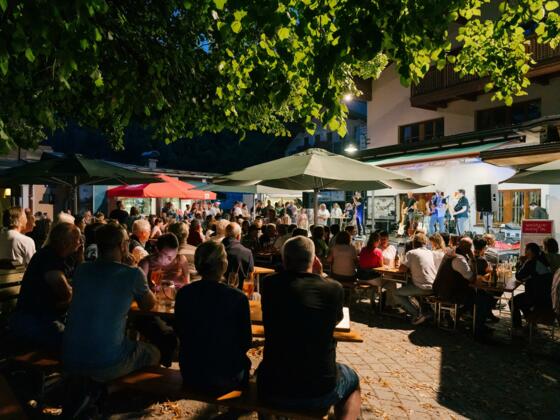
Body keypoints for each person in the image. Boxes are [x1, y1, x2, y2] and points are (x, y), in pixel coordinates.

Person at [257, 236, 361, 417]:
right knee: (352, 380)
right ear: (314, 260)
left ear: (284, 260)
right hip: (318, 389)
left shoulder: (269, 284)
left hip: (272, 387)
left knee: (263, 370)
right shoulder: (333, 288)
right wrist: (320, 276)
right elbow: (335, 319)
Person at [62, 223, 160, 382]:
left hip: (70, 357)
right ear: (122, 246)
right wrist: (133, 268)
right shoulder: (133, 274)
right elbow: (148, 305)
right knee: (153, 352)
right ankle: (113, 389)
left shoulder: (82, 270)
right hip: (105, 363)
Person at [175, 241, 252, 394]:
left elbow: (180, 331)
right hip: (227, 375)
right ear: (223, 264)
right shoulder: (237, 298)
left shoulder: (184, 294)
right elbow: (246, 342)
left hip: (191, 373)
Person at [10, 222, 82, 350]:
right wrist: (73, 293)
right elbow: (65, 292)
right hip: (34, 321)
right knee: (77, 342)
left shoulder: (64, 258)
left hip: (44, 318)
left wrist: (80, 259)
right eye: (77, 239)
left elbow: (78, 285)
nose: (80, 243)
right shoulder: (48, 257)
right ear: (65, 242)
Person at [395, 233, 436, 325]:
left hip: (422, 287)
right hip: (434, 286)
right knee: (412, 286)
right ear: (425, 243)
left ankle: (417, 313)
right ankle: (426, 311)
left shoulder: (411, 253)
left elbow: (402, 269)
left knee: (396, 293)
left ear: (413, 243)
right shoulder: (431, 253)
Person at [511, 242, 553, 334]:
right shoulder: (542, 259)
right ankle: (531, 324)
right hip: (547, 296)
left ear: (530, 251)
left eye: (526, 250)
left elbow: (519, 276)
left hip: (537, 297)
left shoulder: (532, 262)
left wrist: (521, 263)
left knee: (513, 301)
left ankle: (517, 328)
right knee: (521, 301)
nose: (525, 251)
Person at [223, 222, 255, 290]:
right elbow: (250, 276)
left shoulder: (216, 249)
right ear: (238, 236)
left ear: (225, 235)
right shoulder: (247, 252)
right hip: (240, 291)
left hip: (217, 291)